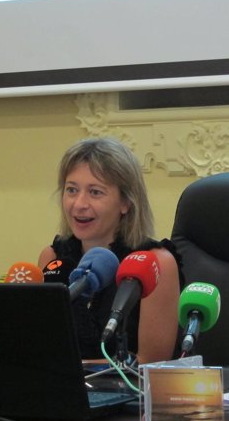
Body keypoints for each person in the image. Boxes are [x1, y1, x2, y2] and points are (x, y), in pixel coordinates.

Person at [38, 137, 183, 364]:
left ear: (126, 202)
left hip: (130, 396)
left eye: (95, 192)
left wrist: (67, 369)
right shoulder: (54, 259)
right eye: (72, 190)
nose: (79, 204)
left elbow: (151, 362)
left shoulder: (155, 263)